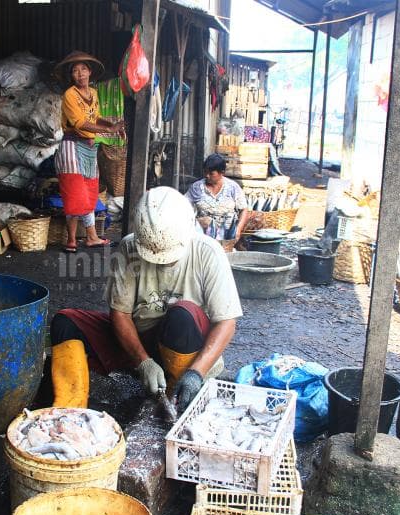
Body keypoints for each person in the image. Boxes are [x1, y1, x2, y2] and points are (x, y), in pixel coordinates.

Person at [47, 187, 243, 413]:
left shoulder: (208, 252)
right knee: (65, 321)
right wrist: (144, 362)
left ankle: (177, 399)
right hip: (140, 342)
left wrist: (196, 372)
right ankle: (68, 413)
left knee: (181, 314)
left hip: (186, 344)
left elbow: (226, 322)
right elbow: (120, 313)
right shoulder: (130, 247)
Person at [54, 50, 125, 253]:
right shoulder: (69, 95)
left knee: (89, 191)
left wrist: (113, 124)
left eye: (83, 69)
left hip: (89, 147)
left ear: (90, 72)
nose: (80, 73)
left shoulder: (93, 93)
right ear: (71, 76)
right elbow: (79, 123)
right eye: (75, 70)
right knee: (74, 193)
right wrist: (108, 129)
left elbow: (95, 119)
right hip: (71, 147)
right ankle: (75, 239)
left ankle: (85, 238)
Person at [185, 154, 250, 241]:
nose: (207, 175)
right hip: (202, 236)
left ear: (222, 173)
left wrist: (238, 229)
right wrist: (197, 221)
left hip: (227, 237)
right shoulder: (197, 187)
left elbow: (244, 210)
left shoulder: (233, 187)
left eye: (211, 173)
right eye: (205, 172)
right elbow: (183, 205)